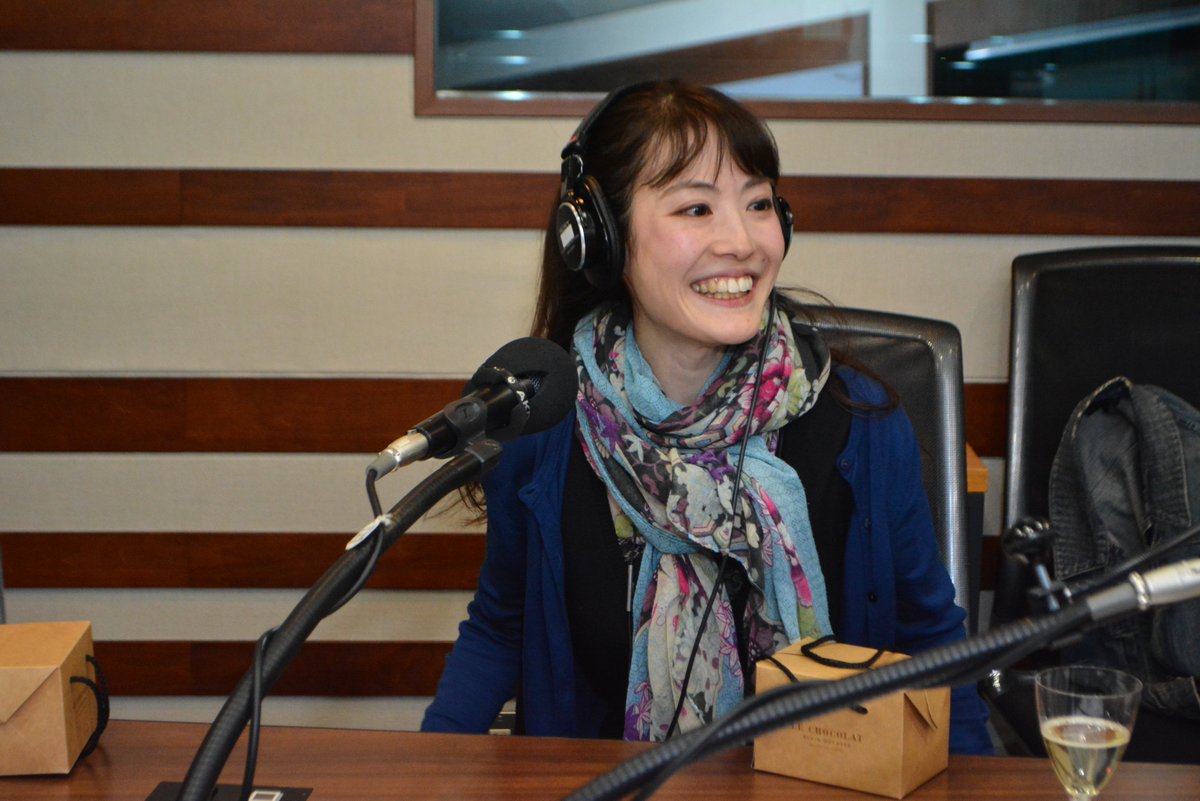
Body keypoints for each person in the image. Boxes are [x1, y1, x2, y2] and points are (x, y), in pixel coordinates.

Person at [421, 79, 992, 754]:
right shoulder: (543, 423)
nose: (742, 241)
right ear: (603, 238)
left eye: (758, 204)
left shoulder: (863, 427)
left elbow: (933, 644)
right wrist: (429, 767)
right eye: (696, 208)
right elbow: (500, 626)